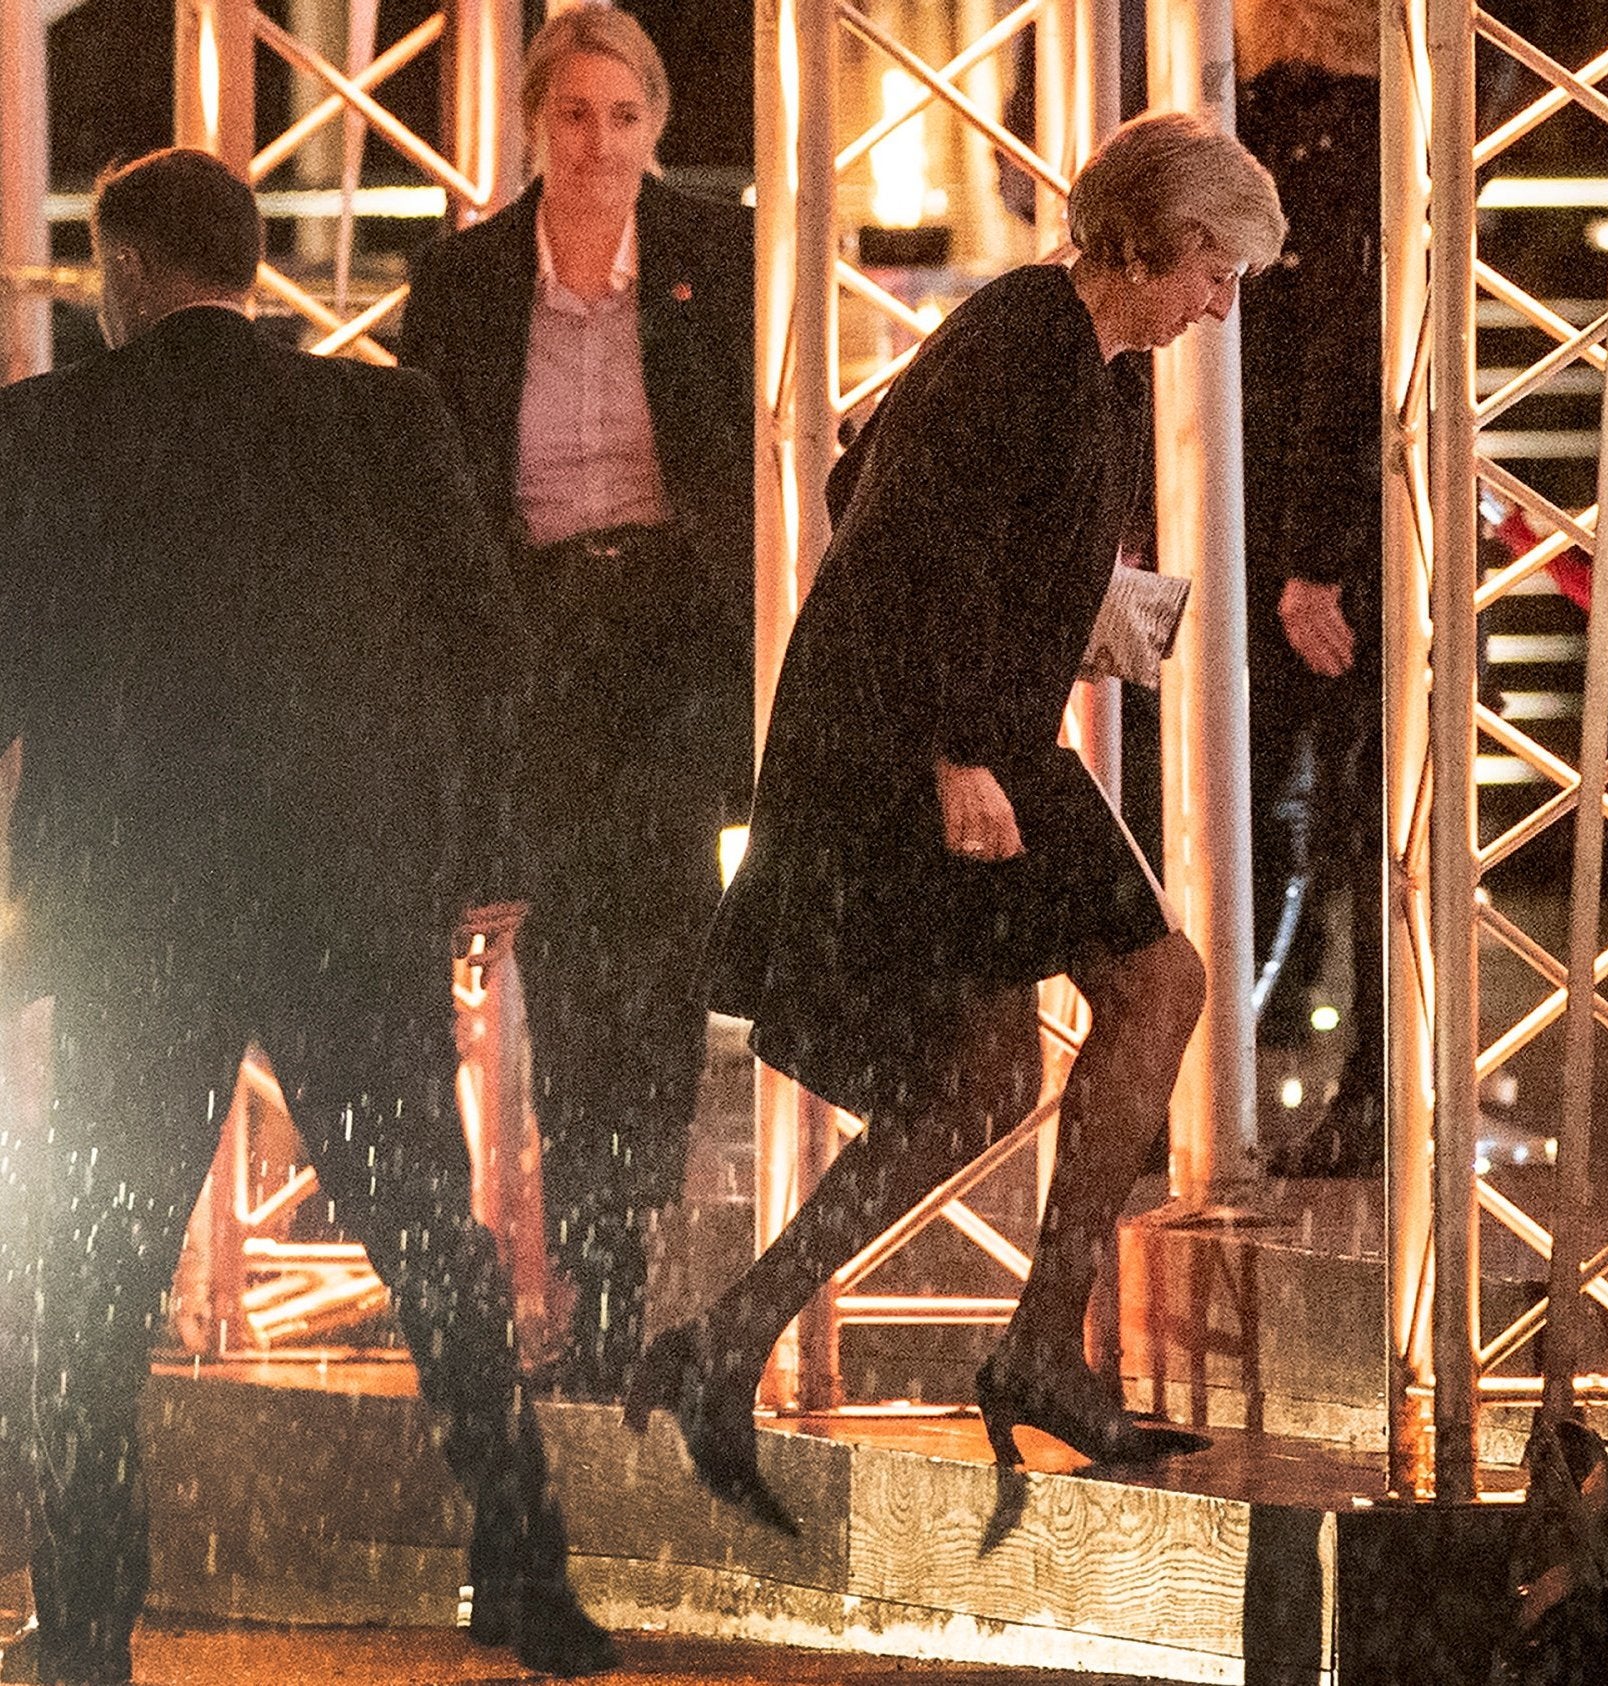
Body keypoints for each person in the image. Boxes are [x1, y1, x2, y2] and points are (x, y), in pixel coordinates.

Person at [0, 149, 611, 1683]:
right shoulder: (378, 418)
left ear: (121, 273)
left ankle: (82, 1623)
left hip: (139, 908)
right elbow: (491, 647)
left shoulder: (47, 432)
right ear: (254, 267)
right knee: (430, 1239)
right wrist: (481, 851)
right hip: (345, 892)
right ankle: (525, 1580)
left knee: (92, 1274)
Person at [628, 112, 1284, 1518]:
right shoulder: (1023, 343)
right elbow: (890, 536)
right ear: (1166, 244)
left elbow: (861, 481)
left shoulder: (1075, 361)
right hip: (916, 744)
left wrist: (1067, 617)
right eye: (1217, 274)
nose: (1219, 307)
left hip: (965, 729)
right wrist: (945, 749)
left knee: (990, 1072)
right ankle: (1032, 1347)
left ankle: (736, 1336)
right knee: (1147, 989)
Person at [400, 6, 757, 1399]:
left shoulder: (717, 253)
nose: (599, 144)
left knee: (659, 947)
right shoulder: (468, 280)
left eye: (623, 117)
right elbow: (435, 489)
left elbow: (761, 454)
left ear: (656, 124)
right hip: (537, 635)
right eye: (573, 116)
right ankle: (583, 1275)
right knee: (561, 951)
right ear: (533, 124)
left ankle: (618, 1270)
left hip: (671, 632)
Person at [1234, 0, 1387, 1178]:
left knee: (1338, 806)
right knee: (1339, 811)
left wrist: (1311, 555)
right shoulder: (1269, 122)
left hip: (1303, 517)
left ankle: (1362, 1086)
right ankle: (1354, 1082)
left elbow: (1346, 343)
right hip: (1283, 509)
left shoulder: (1333, 130)